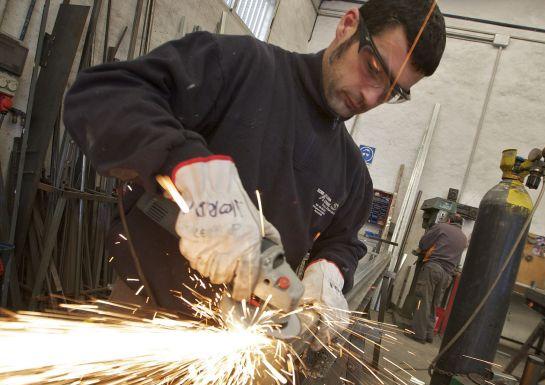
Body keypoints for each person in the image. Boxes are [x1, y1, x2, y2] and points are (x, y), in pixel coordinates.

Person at [63, 0, 446, 348]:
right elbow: (106, 94)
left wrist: (328, 272)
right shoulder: (240, 65)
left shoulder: (353, 175)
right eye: (373, 68)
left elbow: (341, 241)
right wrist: (194, 174)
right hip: (143, 315)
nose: (371, 97)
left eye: (392, 91)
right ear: (347, 25)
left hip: (244, 341)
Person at [407, 213, 467, 343]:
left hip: (433, 268)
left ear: (449, 220)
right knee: (434, 304)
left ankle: (418, 334)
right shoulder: (463, 238)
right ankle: (429, 334)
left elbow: (423, 244)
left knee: (423, 301)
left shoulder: (442, 227)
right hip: (447, 275)